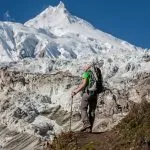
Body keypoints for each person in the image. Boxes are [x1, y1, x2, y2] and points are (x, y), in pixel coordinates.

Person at [71, 64, 98, 132]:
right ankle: (89, 128)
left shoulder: (86, 74)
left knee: (83, 108)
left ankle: (86, 124)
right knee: (92, 110)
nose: (83, 68)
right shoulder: (93, 74)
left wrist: (75, 92)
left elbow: (84, 84)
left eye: (85, 66)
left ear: (87, 68)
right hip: (94, 94)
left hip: (87, 93)